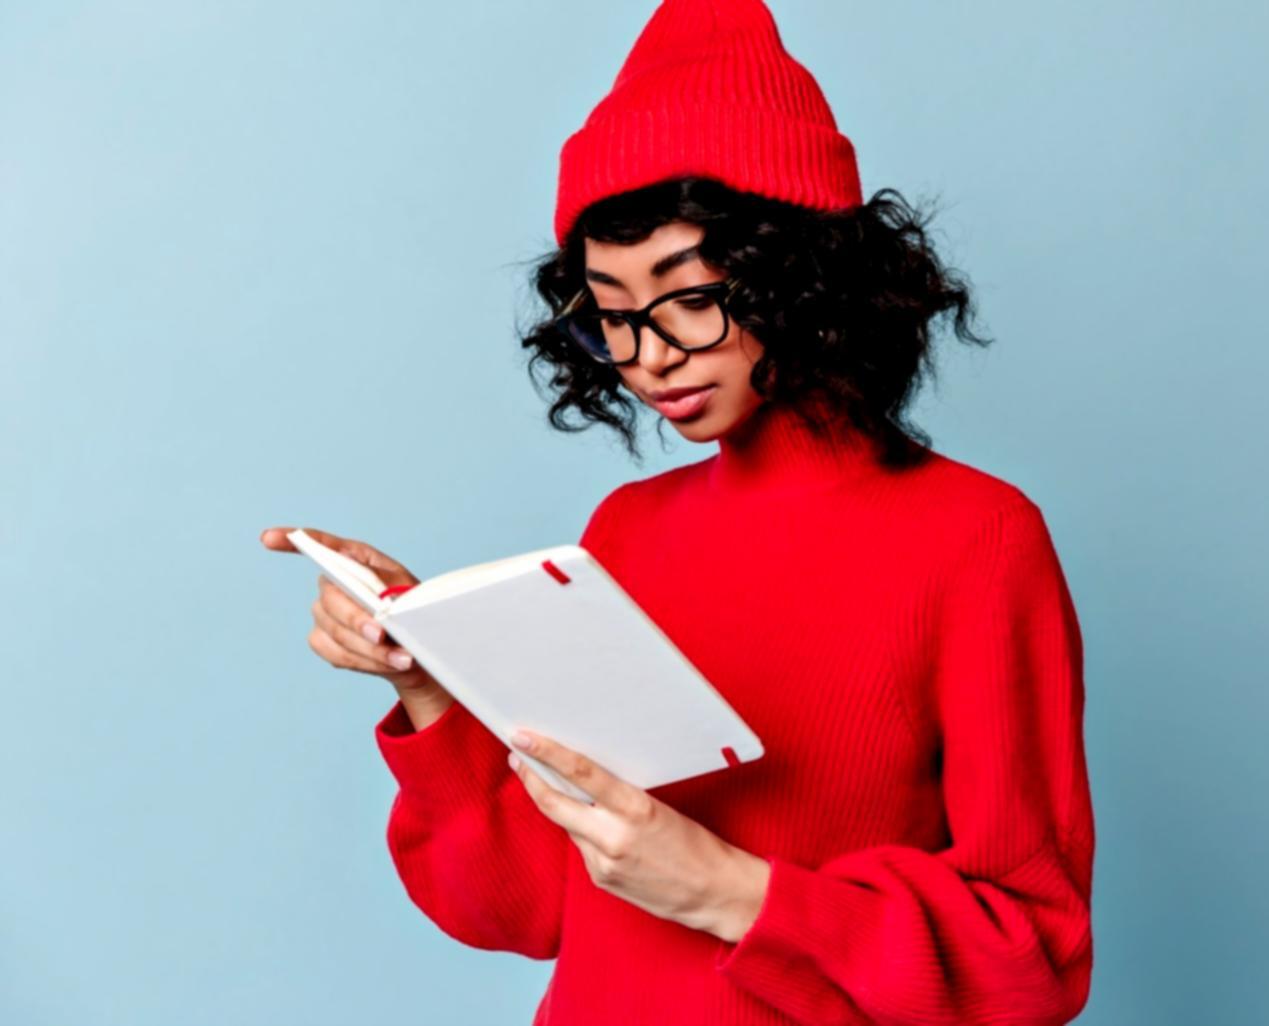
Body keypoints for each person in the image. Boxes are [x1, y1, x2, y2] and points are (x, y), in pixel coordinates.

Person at [259, 0, 1095, 1022]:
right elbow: (524, 912)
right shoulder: (628, 531)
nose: (648, 355)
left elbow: (1034, 957)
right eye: (610, 315)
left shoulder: (975, 537)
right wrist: (430, 684)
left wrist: (728, 890)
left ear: (804, 274)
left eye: (686, 297)